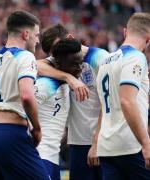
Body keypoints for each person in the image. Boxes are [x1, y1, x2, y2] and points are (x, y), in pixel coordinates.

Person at [0, 10, 50, 180]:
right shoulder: (25, 57)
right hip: (12, 134)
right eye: (36, 35)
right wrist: (36, 128)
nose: (37, 40)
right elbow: (27, 96)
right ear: (26, 34)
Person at [38, 23, 109, 180]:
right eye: (53, 55)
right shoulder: (61, 61)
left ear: (70, 38)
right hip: (76, 143)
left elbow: (108, 103)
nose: (57, 58)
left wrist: (96, 143)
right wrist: (68, 77)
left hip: (102, 142)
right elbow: (34, 65)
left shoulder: (100, 57)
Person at [94, 12, 150, 180]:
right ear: (148, 39)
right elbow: (126, 101)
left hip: (107, 146)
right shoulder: (136, 57)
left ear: (125, 32)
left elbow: (111, 101)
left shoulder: (105, 60)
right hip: (130, 145)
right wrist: (146, 143)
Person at [36, 38, 83, 180]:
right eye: (74, 64)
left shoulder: (65, 83)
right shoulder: (45, 85)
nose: (80, 68)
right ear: (58, 62)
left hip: (52, 157)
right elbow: (20, 112)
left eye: (80, 63)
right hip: (40, 156)